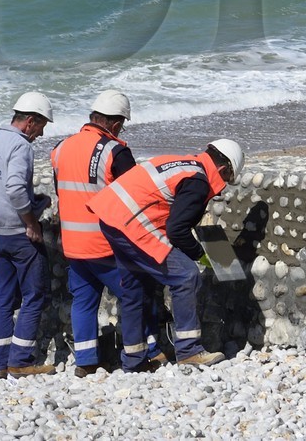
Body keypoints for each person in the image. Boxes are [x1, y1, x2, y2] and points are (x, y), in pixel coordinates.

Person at [86, 139, 244, 369]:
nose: (225, 185)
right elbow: (176, 230)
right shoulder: (198, 181)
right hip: (132, 222)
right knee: (186, 275)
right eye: (228, 179)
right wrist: (200, 255)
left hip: (112, 217)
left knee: (134, 286)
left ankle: (133, 359)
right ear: (223, 168)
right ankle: (189, 350)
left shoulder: (184, 164)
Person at [49, 88, 162, 376]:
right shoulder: (115, 152)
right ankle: (145, 354)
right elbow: (138, 199)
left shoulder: (61, 148)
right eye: (122, 124)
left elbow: (60, 189)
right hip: (105, 246)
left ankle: (86, 362)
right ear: (114, 124)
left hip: (72, 244)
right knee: (133, 295)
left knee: (84, 301)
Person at [0, 90, 56, 379]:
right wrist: (31, 221)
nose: (40, 134)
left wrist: (33, 201)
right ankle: (21, 361)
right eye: (42, 127)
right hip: (18, 232)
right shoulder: (21, 146)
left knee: (3, 298)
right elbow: (13, 187)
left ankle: (1, 364)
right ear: (30, 122)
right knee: (34, 295)